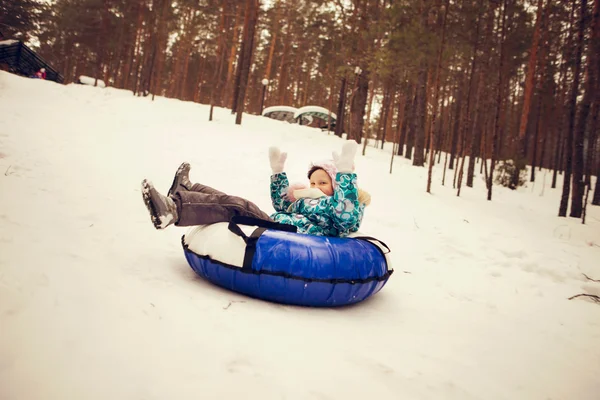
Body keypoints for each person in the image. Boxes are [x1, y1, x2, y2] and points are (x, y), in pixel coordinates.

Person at [141, 139, 370, 237]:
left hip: (287, 234)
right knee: (232, 200)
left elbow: (345, 213)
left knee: (239, 206)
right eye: (312, 182)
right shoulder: (305, 200)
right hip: (277, 224)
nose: (315, 186)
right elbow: (281, 204)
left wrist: (345, 176)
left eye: (323, 182)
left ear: (336, 185)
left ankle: (173, 211)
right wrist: (278, 172)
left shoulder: (339, 208)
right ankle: (189, 188)